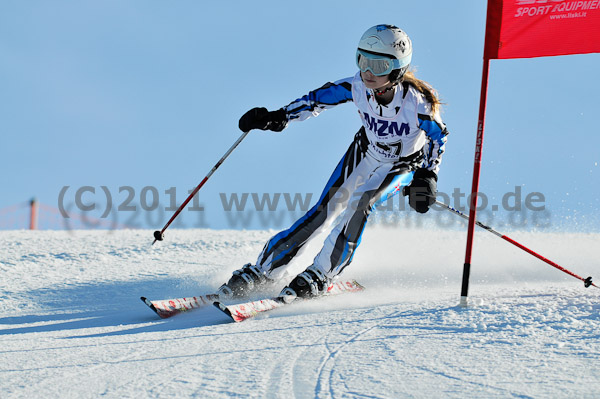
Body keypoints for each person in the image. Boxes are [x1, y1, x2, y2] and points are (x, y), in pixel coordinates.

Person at [217, 24, 449, 302]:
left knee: (361, 205)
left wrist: (427, 176)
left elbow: (439, 136)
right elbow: (316, 100)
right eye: (363, 61)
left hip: (402, 165)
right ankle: (265, 269)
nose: (368, 73)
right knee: (325, 210)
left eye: (379, 65)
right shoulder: (356, 86)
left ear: (397, 68)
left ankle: (321, 273)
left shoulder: (417, 103)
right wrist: (278, 117)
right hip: (365, 152)